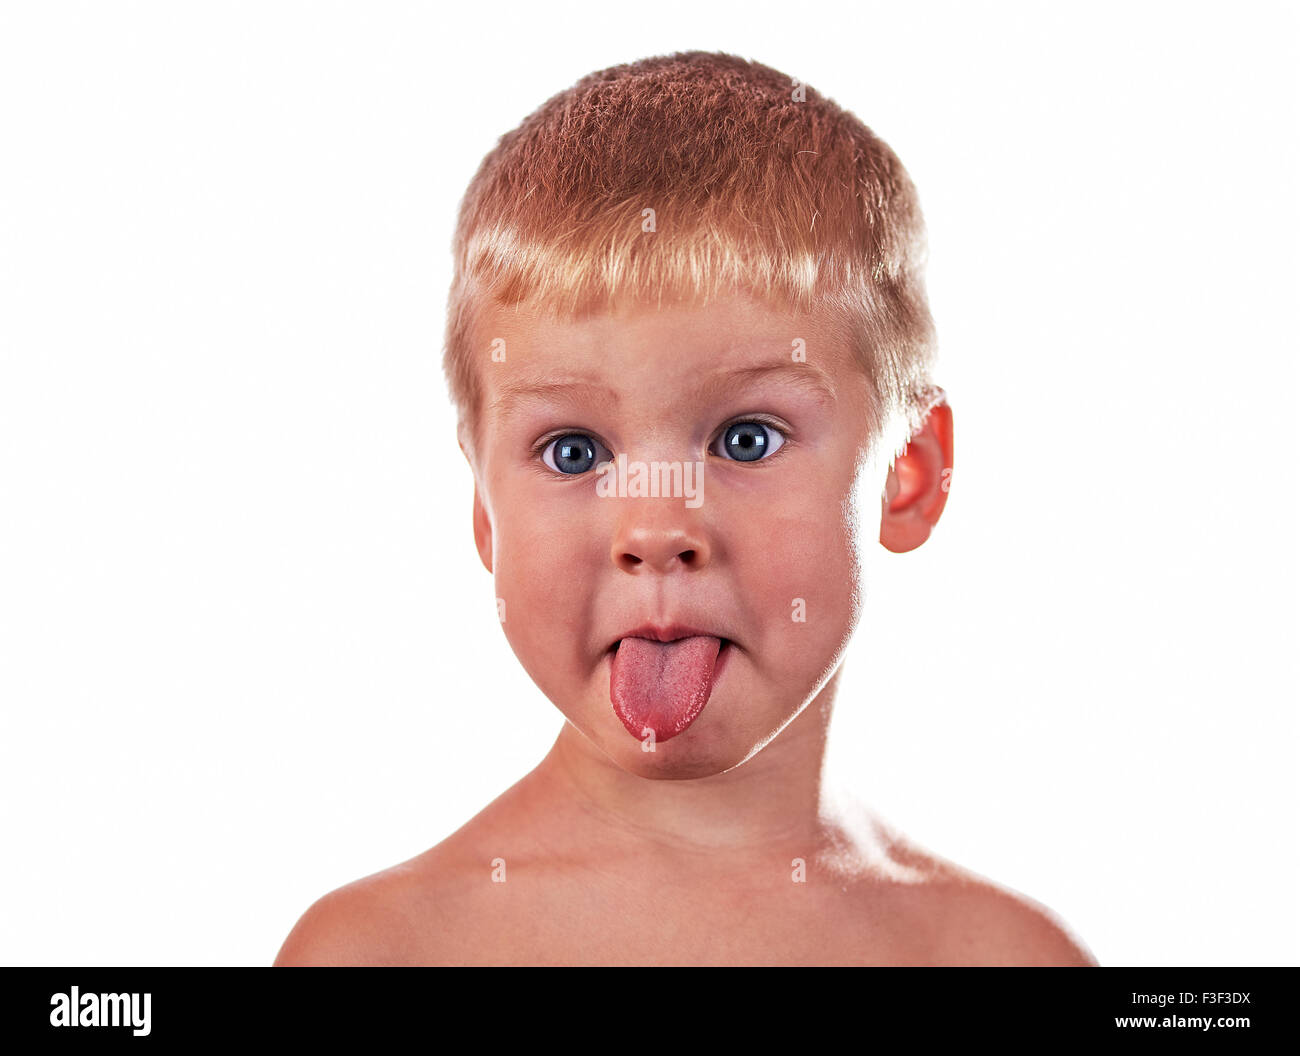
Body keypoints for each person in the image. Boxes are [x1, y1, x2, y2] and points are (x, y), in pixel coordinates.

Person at [274, 50, 1097, 966]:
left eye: (745, 440)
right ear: (485, 513)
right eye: (574, 452)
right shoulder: (378, 952)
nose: (656, 531)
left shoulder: (997, 955)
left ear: (908, 471)